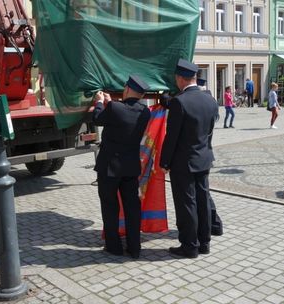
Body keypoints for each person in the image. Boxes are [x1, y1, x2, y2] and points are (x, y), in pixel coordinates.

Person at [160, 59, 218, 258]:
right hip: (203, 159)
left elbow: (172, 136)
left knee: (187, 204)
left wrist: (165, 162)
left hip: (183, 163)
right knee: (202, 202)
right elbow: (209, 133)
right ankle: (204, 243)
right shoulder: (210, 99)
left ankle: (189, 246)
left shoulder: (180, 102)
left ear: (180, 79)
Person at [93, 74, 151, 258]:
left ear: (126, 89)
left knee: (110, 207)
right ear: (141, 95)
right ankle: (134, 248)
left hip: (110, 167)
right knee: (132, 209)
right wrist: (111, 104)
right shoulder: (145, 112)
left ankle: (114, 246)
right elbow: (121, 113)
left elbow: (97, 118)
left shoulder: (115, 108)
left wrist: (101, 102)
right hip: (130, 168)